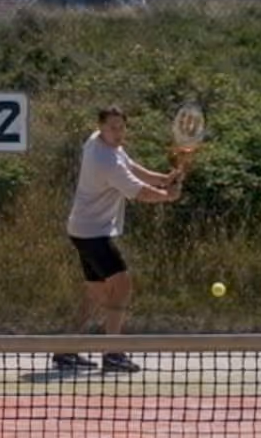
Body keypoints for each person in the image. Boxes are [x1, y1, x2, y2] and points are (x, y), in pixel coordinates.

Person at [57, 105, 185, 373]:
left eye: (121, 127)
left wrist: (163, 179)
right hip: (93, 233)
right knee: (122, 284)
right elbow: (138, 192)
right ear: (100, 126)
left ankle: (65, 350)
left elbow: (132, 168)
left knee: (95, 293)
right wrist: (167, 196)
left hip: (83, 229)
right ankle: (113, 353)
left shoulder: (99, 142)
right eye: (112, 128)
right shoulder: (106, 161)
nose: (117, 132)